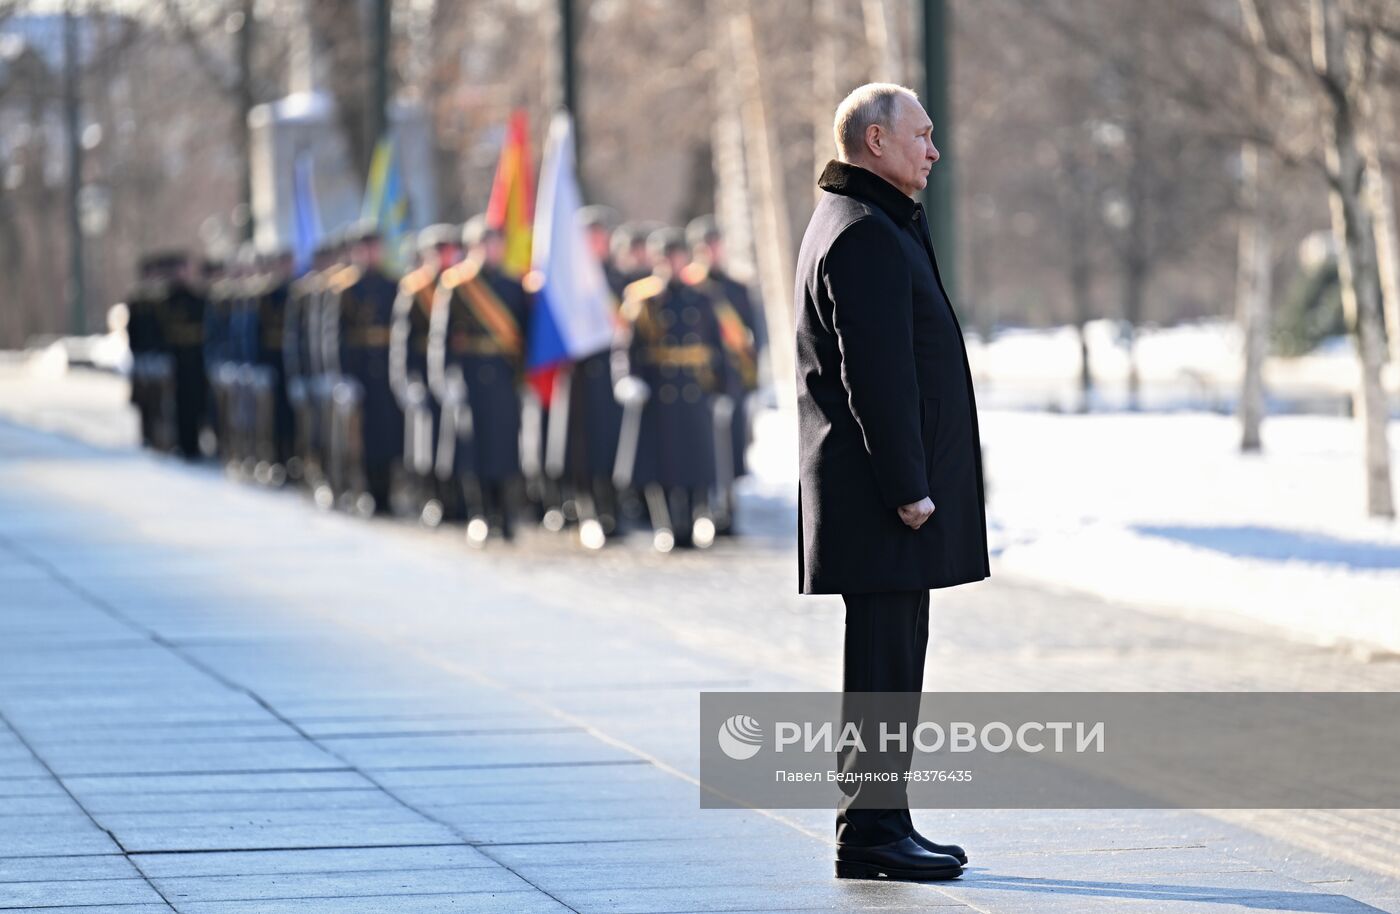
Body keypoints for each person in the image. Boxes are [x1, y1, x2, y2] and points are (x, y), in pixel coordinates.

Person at [794, 83, 989, 881]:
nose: (934, 150)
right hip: (884, 500)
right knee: (882, 662)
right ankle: (871, 830)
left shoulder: (868, 220)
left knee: (892, 659)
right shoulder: (866, 231)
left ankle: (884, 819)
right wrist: (910, 486)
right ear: (875, 141)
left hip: (882, 496)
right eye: (922, 135)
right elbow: (877, 375)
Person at [612, 227, 728, 551]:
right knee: (660, 464)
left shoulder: (702, 298)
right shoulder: (641, 300)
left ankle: (693, 521)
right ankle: (665, 524)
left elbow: (716, 348)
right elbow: (625, 346)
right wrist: (626, 378)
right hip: (659, 390)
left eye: (678, 257)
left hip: (694, 388)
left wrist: (722, 389)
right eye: (667, 258)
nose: (673, 265)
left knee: (696, 462)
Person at [429, 216, 530, 544]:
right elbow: (441, 340)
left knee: (506, 450)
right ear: (471, 248)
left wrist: (524, 378)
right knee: (475, 450)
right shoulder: (457, 286)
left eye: (496, 243)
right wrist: (447, 379)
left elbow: (524, 337)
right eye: (484, 244)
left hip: (503, 377)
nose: (491, 250)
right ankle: (481, 514)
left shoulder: (514, 286)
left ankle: (507, 516)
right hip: (470, 377)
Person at [683, 215, 762, 535]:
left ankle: (728, 508)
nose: (713, 251)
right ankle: (702, 506)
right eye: (707, 246)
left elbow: (754, 337)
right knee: (701, 447)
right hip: (700, 379)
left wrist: (753, 383)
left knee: (732, 446)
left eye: (717, 245)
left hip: (734, 379)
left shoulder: (737, 288)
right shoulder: (689, 289)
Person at [323, 222, 403, 514]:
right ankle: (367, 491)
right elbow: (336, 336)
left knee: (391, 432)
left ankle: (389, 492)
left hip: (388, 366)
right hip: (360, 370)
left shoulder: (394, 284)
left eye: (374, 248)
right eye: (365, 248)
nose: (370, 254)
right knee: (363, 437)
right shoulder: (345, 288)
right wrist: (341, 375)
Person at [391, 224, 463, 524]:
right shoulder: (415, 288)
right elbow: (402, 341)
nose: (445, 257)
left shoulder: (463, 285)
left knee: (457, 441)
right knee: (426, 442)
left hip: (455, 369)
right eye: (439, 251)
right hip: (423, 370)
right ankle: (431, 498)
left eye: (449, 250)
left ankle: (457, 499)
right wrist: (406, 379)